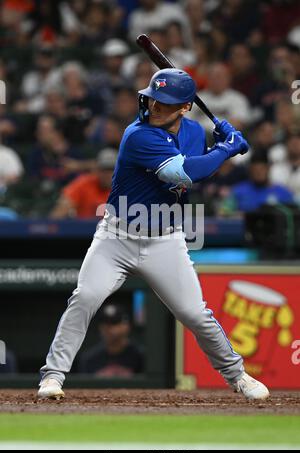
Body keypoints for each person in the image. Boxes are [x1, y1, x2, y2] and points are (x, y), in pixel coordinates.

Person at [38, 68, 269, 401]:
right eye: (153, 99)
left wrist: (221, 144)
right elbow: (185, 173)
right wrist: (226, 148)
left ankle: (238, 376)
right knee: (85, 298)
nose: (155, 107)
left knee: (194, 313)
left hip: (166, 237)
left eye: (166, 103)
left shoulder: (192, 132)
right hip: (116, 236)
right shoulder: (137, 135)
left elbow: (200, 161)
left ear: (185, 106)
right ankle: (53, 377)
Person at [50, 147, 118, 219]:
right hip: (85, 229)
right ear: (97, 170)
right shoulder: (84, 183)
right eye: (103, 170)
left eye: (111, 169)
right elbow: (59, 212)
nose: (107, 174)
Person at [79, 304, 144, 377]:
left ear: (126, 326)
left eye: (114, 323)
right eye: (105, 323)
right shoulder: (90, 358)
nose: (108, 328)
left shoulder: (140, 356)